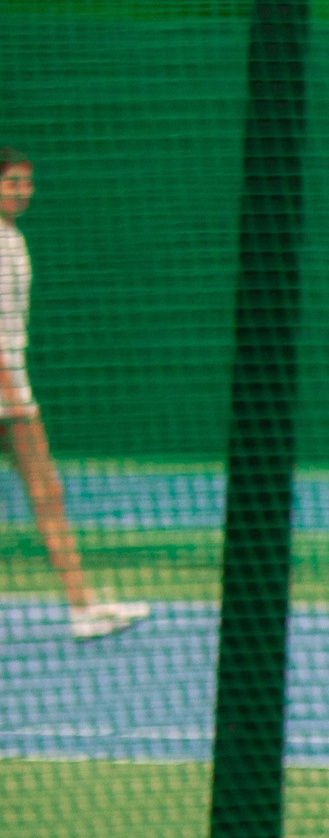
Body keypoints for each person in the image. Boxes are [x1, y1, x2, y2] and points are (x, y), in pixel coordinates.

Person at [1, 147, 145, 640]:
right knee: (46, 493)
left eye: (27, 182)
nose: (24, 192)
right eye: (13, 182)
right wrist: (12, 395)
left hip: (12, 385)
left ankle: (83, 607)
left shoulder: (12, 239)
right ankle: (82, 606)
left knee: (48, 494)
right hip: (7, 392)